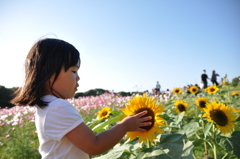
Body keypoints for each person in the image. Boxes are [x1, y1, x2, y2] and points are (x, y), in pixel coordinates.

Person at [11, 38, 152, 159]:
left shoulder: (47, 107)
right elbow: (95, 145)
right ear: (47, 71)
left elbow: (73, 145)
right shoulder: (57, 106)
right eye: (73, 71)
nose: (78, 77)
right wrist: (125, 125)